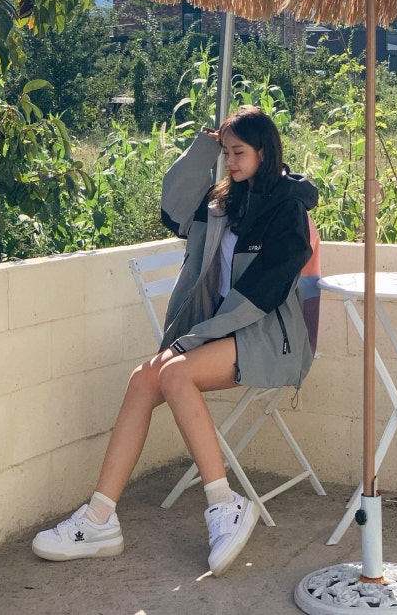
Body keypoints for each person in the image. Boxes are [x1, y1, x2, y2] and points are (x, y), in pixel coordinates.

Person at [32, 106, 319, 576]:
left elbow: (264, 293)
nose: (230, 161)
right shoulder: (222, 202)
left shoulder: (287, 209)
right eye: (226, 152)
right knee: (142, 379)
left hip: (268, 335)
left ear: (264, 153)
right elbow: (171, 206)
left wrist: (194, 339)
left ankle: (224, 504)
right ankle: (99, 519)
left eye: (239, 152)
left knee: (175, 373)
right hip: (218, 332)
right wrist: (204, 147)